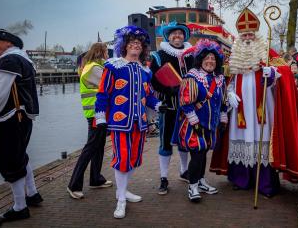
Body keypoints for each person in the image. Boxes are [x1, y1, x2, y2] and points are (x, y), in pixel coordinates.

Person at [225, 8, 298, 197]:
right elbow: (229, 80)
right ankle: (241, 178)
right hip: (240, 109)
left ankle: (264, 183)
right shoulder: (234, 55)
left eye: (250, 34)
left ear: (256, 35)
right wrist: (229, 93)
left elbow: (285, 73)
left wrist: (272, 74)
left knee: (261, 141)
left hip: (262, 108)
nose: (247, 37)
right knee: (241, 140)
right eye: (244, 34)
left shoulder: (267, 53)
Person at [94, 25, 165, 219]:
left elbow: (148, 95)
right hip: (120, 122)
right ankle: (121, 200)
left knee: (133, 159)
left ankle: (122, 190)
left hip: (139, 122)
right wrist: (100, 117)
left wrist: (159, 106)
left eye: (139, 44)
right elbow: (103, 93)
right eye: (132, 43)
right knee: (122, 160)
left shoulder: (145, 71)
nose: (135, 46)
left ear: (142, 49)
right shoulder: (113, 66)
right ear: (124, 46)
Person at [0, 29, 42, 226]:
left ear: (6, 43)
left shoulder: (9, 61)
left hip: (11, 116)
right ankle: (33, 194)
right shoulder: (24, 60)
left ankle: (19, 207)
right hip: (25, 116)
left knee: (10, 161)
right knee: (21, 156)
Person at [171, 39, 227, 202]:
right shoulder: (192, 77)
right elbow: (186, 103)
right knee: (196, 155)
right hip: (193, 125)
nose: (210, 62)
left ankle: (201, 181)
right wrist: (195, 123)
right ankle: (193, 186)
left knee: (203, 155)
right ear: (200, 60)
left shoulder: (219, 79)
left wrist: (223, 119)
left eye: (213, 59)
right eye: (207, 59)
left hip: (211, 125)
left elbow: (223, 102)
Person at [150, 22, 195, 195]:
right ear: (168, 37)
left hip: (187, 106)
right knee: (166, 142)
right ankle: (163, 178)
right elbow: (153, 81)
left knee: (185, 141)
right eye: (173, 34)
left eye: (180, 34)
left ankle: (184, 171)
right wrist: (170, 90)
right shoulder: (158, 56)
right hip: (168, 106)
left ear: (184, 36)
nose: (177, 36)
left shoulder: (191, 56)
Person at [67, 43, 113, 199]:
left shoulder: (92, 66)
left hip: (97, 113)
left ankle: (96, 179)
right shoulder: (94, 68)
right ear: (101, 52)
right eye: (106, 51)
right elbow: (110, 84)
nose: (108, 54)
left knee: (98, 146)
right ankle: (73, 185)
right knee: (90, 147)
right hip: (95, 113)